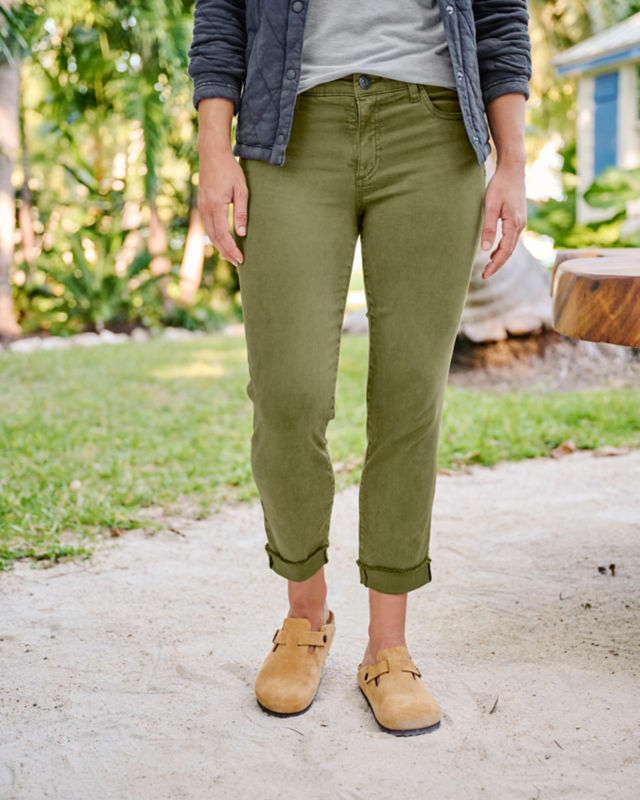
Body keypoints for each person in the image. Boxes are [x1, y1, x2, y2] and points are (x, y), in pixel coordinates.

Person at [188, 0, 532, 736]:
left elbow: (501, 17)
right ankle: (305, 619)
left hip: (435, 129)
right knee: (288, 393)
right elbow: (221, 14)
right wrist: (213, 152)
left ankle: (389, 647)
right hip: (290, 127)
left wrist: (513, 163)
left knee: (411, 394)